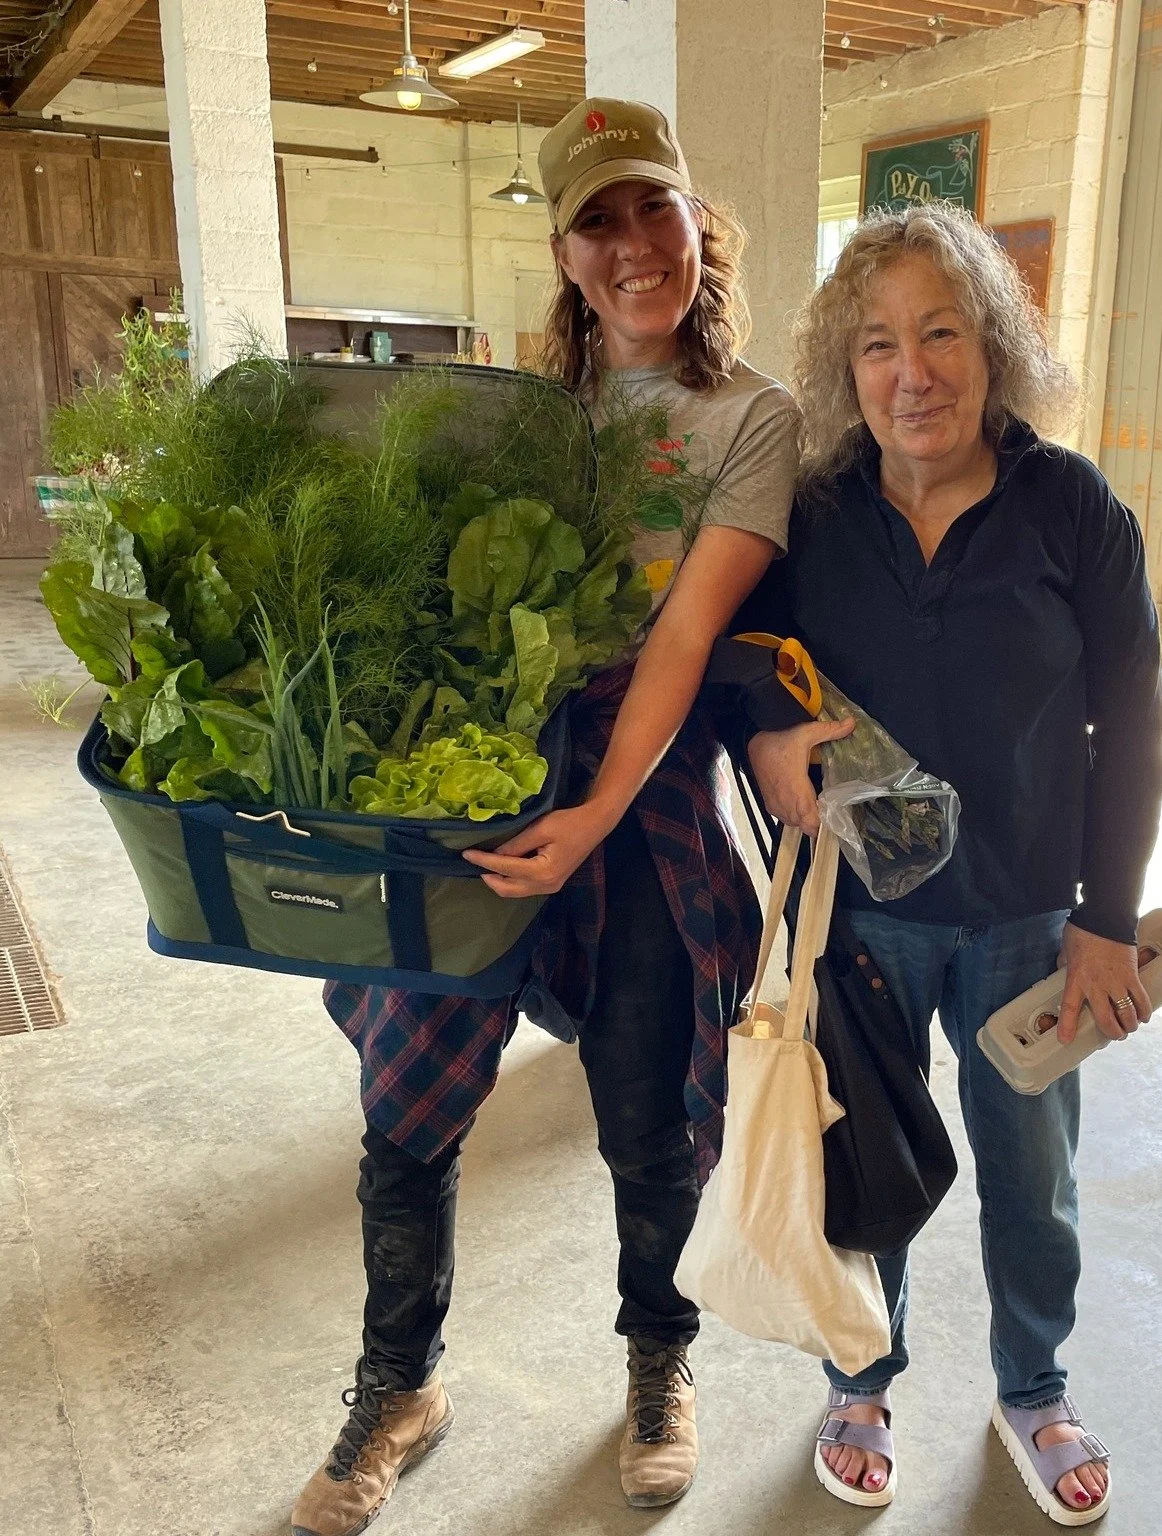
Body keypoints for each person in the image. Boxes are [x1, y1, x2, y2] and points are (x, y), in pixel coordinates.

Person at [291, 98, 801, 1536]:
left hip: (636, 804)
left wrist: (585, 823)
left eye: (656, 210)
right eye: (599, 221)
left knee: (655, 1105)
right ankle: (400, 1384)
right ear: (566, 253)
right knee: (408, 1107)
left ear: (701, 224)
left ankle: (659, 1360)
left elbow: (688, 638)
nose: (635, 245)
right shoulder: (514, 410)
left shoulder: (751, 417)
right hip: (477, 784)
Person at [735, 202, 1162, 1526]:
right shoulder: (811, 516)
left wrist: (1108, 917)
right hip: (861, 915)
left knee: (1031, 1174)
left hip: (1031, 924)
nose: (909, 371)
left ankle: (1034, 1387)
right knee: (862, 1169)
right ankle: (859, 1377)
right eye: (876, 345)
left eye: (939, 333)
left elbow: (1135, 719)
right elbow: (745, 661)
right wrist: (764, 741)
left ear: (991, 345)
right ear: (844, 367)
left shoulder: (1070, 509)